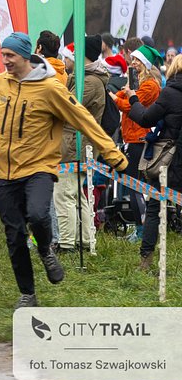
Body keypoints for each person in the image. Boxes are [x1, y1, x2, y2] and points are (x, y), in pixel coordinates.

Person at [0, 32, 127, 308]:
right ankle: (28, 293)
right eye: (3, 56)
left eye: (10, 56)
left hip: (38, 167)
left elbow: (82, 118)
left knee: (37, 214)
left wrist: (110, 150)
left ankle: (46, 250)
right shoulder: (2, 83)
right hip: (4, 172)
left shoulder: (51, 87)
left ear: (25, 56)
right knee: (14, 236)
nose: (6, 61)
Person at [127, 52, 182, 270]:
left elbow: (145, 118)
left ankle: (146, 260)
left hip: (169, 160)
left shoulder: (170, 93)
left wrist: (133, 99)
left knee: (154, 208)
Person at [57, 35, 107, 254]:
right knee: (78, 194)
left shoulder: (88, 82)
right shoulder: (84, 78)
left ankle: (67, 243)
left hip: (75, 142)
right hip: (75, 141)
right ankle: (85, 239)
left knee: (64, 193)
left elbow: (66, 108)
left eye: (77, 51)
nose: (74, 54)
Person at [112, 44, 163, 233]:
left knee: (136, 185)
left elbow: (131, 106)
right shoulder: (137, 83)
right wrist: (122, 93)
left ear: (146, 64)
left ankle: (142, 229)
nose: (133, 63)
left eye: (137, 60)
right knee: (133, 185)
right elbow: (122, 96)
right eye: (132, 60)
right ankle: (141, 228)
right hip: (131, 138)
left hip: (140, 139)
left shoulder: (150, 86)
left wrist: (117, 99)